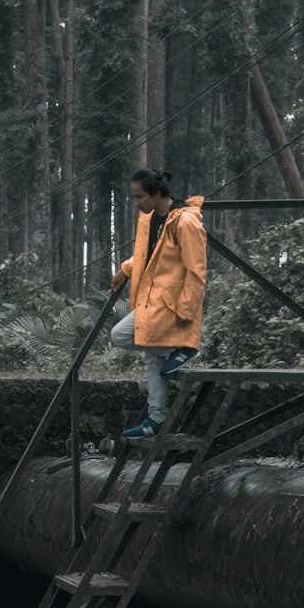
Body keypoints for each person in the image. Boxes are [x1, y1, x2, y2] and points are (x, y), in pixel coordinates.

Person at [110, 168, 207, 439]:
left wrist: (187, 313)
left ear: (156, 193)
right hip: (152, 303)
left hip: (172, 305)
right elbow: (148, 255)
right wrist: (127, 269)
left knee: (122, 336)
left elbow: (196, 271)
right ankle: (157, 419)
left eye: (140, 197)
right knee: (151, 356)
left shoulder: (185, 222)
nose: (137, 203)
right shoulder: (151, 218)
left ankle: (184, 345)